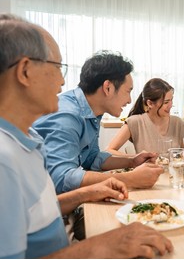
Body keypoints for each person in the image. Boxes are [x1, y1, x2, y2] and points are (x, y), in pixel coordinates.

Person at [0, 14, 173, 258]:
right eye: (57, 67)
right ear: (25, 71)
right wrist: (100, 245)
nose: (62, 81)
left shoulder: (27, 139)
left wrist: (114, 173)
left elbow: (37, 210)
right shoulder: (7, 158)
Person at [33, 51, 164, 194]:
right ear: (108, 87)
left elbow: (91, 158)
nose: (129, 100)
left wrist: (132, 161)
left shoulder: (92, 112)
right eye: (128, 91)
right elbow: (61, 179)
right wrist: (130, 178)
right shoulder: (67, 115)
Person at [106, 78, 184, 156]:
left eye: (171, 100)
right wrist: (135, 158)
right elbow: (109, 150)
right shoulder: (135, 122)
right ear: (150, 103)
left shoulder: (177, 123)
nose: (170, 105)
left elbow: (178, 156)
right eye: (166, 102)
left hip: (172, 177)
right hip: (146, 177)